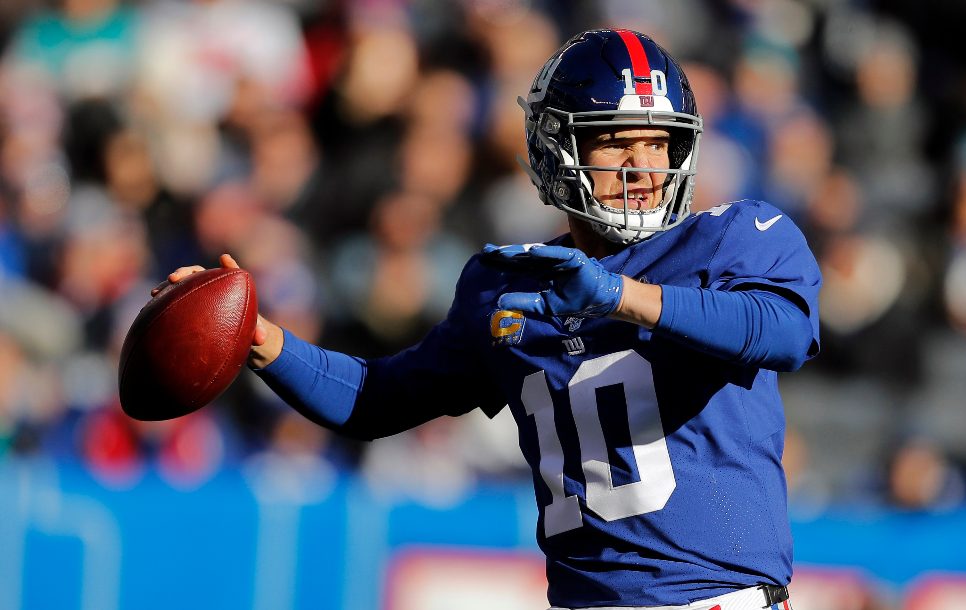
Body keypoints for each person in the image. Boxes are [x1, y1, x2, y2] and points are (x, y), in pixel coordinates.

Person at [159, 29, 820, 610]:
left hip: (717, 601)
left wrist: (621, 296)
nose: (644, 167)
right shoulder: (510, 285)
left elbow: (785, 333)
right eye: (616, 142)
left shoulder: (737, 239)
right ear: (557, 149)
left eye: (659, 142)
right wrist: (264, 342)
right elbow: (376, 400)